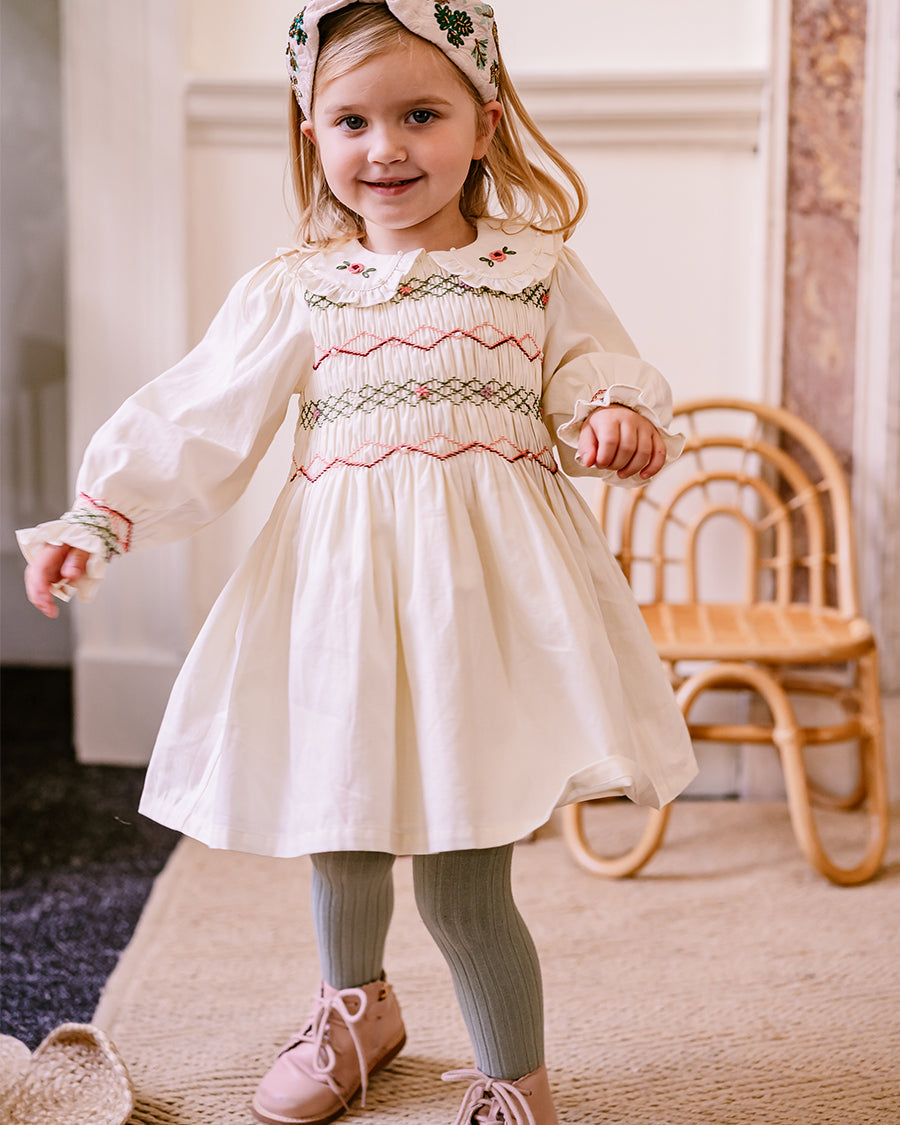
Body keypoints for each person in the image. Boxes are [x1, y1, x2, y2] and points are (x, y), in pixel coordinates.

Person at [19, 2, 698, 1122]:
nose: (385, 148)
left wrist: (614, 414)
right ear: (312, 134)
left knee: (465, 871)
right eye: (352, 121)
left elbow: (595, 372)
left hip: (480, 615)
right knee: (340, 831)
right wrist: (97, 515)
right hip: (338, 603)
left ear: (484, 124)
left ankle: (514, 1082)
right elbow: (201, 416)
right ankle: (357, 1009)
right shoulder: (301, 286)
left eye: (420, 115)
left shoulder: (529, 271)